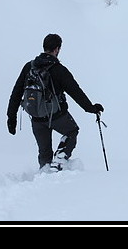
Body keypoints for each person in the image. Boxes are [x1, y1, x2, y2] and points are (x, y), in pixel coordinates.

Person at [7, 33, 104, 172]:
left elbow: (16, 93)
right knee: (72, 131)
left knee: (44, 153)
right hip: (57, 116)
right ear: (57, 49)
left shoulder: (29, 67)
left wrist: (11, 117)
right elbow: (75, 91)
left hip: (36, 118)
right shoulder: (59, 70)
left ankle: (45, 175)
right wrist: (91, 108)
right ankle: (59, 159)